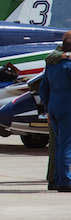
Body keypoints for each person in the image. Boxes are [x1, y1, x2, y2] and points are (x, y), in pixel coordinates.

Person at [39, 31, 71, 192]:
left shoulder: (52, 63)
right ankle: (65, 181)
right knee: (66, 145)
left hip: (54, 106)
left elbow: (43, 88)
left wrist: (47, 108)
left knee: (58, 144)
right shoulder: (67, 64)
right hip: (67, 106)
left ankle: (57, 179)